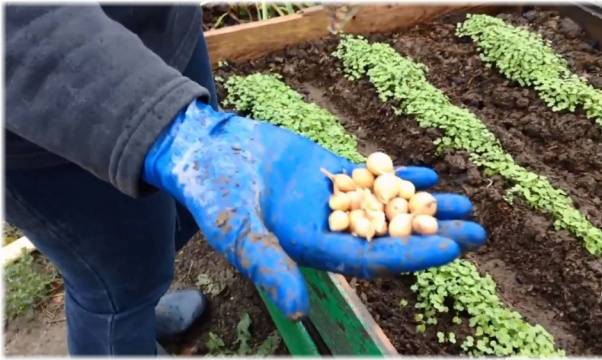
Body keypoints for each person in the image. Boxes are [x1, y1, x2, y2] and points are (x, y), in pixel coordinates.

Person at [5, 4, 487, 356]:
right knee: (111, 282)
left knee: (168, 228)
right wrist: (163, 124)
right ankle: (126, 326)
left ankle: (145, 303)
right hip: (41, 116)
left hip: (160, 34)